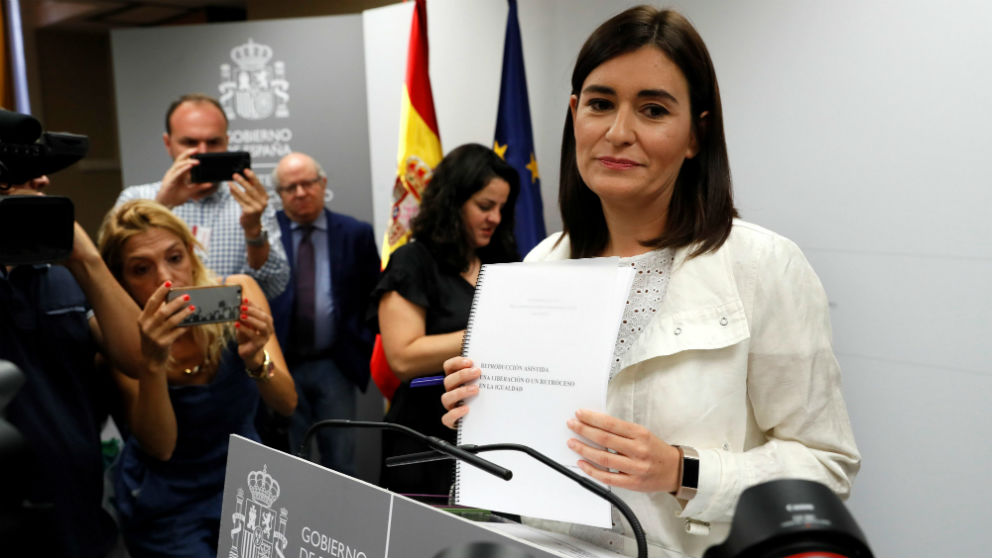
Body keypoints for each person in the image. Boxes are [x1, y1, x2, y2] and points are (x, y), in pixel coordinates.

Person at [440, 7, 861, 557]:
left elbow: (825, 467)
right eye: (600, 104)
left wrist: (682, 470)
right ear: (574, 115)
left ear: (695, 134)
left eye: (654, 109)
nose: (618, 133)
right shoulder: (540, 266)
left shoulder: (764, 266)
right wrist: (482, 411)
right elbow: (522, 469)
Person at [98, 199, 297, 558]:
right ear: (119, 281)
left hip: (246, 486)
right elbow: (160, 446)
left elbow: (286, 403)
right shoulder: (121, 338)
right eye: (141, 269)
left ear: (191, 253)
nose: (165, 278)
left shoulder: (240, 292)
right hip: (166, 502)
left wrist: (255, 359)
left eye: (174, 258)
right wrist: (153, 363)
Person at [0, 175, 143, 557]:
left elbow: (139, 358)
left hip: (79, 517)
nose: (43, 178)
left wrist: (87, 259)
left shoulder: (65, 270)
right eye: (21, 168)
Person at [370, 143, 519, 497]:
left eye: (502, 208)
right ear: (453, 203)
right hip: (424, 434)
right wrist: (483, 334)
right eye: (485, 206)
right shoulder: (413, 260)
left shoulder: (501, 261)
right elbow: (403, 357)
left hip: (490, 430)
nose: (495, 219)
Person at [268, 151, 380, 474]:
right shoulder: (266, 236)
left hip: (336, 364)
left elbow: (373, 297)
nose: (301, 193)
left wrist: (360, 344)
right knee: (289, 463)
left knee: (341, 462)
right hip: (281, 366)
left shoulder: (355, 233)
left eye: (308, 183)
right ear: (279, 194)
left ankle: (341, 524)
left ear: (323, 184)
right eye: (291, 188)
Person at [115, 93, 290, 299]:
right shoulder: (137, 199)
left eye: (213, 142)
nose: (203, 152)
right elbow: (114, 280)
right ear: (168, 143)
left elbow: (273, 287)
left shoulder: (249, 203)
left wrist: (253, 231)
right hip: (159, 324)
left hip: (230, 326)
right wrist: (162, 207)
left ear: (226, 142)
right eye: (189, 142)